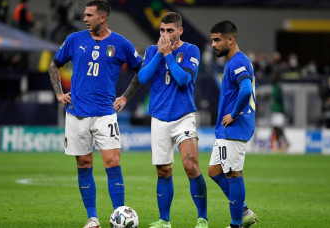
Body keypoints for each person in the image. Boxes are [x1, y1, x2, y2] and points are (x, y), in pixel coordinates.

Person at [47, 1, 142, 228]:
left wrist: (125, 97)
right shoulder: (74, 39)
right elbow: (53, 65)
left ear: (102, 17)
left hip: (105, 114)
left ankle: (119, 215)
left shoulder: (121, 43)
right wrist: (59, 94)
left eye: (89, 15)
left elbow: (142, 69)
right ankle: (93, 219)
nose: (85, 19)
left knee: (112, 161)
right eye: (85, 15)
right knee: (83, 163)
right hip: (77, 113)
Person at [137, 12, 208, 228]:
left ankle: (202, 218)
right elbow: (142, 78)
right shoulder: (152, 51)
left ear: (180, 30)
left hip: (183, 116)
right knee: (163, 171)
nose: (165, 34)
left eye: (170, 30)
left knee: (191, 166)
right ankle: (164, 221)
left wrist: (168, 55)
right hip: (159, 118)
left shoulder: (191, 50)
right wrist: (160, 54)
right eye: (162, 30)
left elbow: (183, 79)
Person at [208, 20, 258, 228]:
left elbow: (246, 89)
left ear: (230, 39)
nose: (213, 45)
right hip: (227, 129)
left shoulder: (237, 62)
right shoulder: (234, 61)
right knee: (214, 171)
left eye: (217, 40)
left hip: (234, 127)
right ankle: (244, 210)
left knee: (233, 173)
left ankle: (236, 223)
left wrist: (234, 115)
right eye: (212, 40)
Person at [270, 72, 289, 152]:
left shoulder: (278, 87)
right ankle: (281, 144)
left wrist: (274, 97)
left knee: (277, 127)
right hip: (275, 110)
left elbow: (280, 98)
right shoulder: (275, 87)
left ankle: (284, 142)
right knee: (275, 128)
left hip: (278, 111)